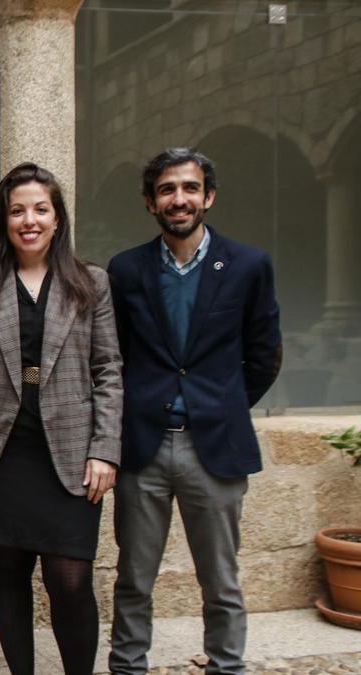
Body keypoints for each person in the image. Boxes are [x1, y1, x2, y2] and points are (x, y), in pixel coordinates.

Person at [0, 163, 122, 675]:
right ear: (3, 219)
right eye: (17, 210)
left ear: (57, 217)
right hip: (1, 453)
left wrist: (105, 448)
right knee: (8, 570)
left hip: (69, 455)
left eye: (40, 209)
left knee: (70, 579)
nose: (29, 219)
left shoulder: (91, 283)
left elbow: (109, 370)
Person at [108, 148, 281, 675]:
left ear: (207, 196)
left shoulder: (249, 265)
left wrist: (222, 405)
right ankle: (127, 666)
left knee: (221, 579)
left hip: (216, 447)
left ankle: (226, 667)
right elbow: (115, 357)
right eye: (166, 189)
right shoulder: (125, 269)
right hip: (144, 446)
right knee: (135, 576)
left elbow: (264, 354)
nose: (177, 198)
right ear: (149, 202)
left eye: (188, 188)